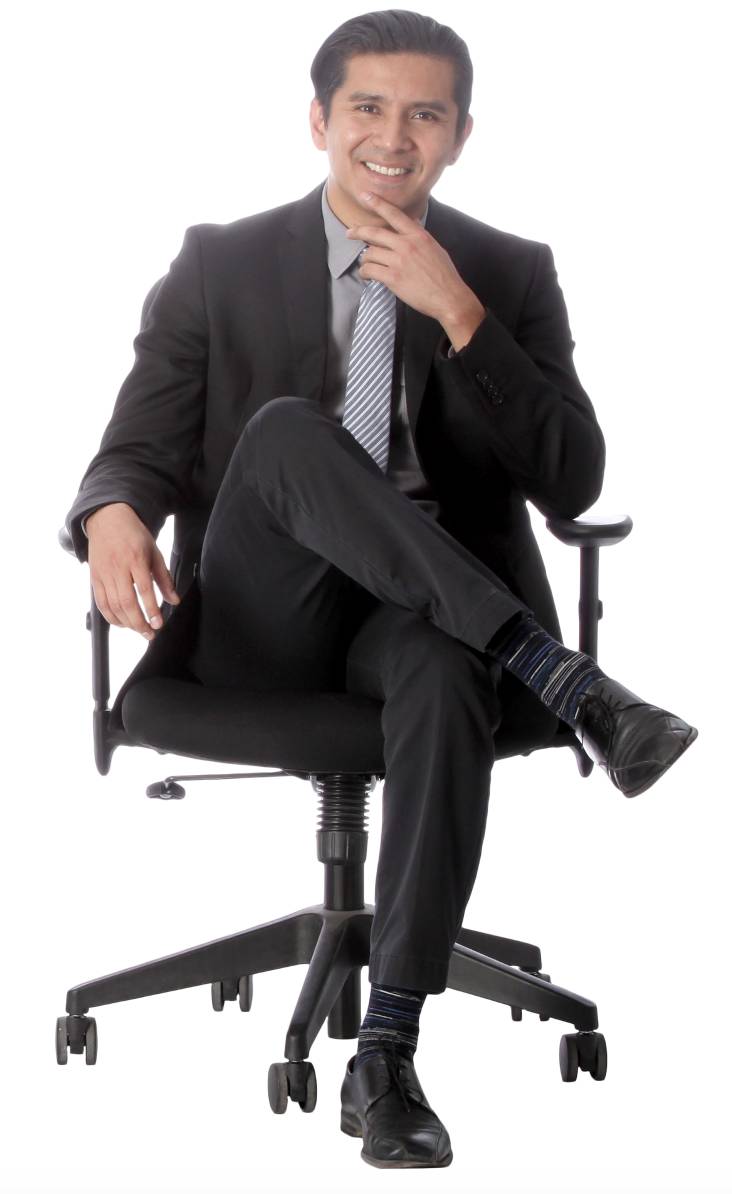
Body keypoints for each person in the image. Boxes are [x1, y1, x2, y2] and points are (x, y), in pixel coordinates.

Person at [63, 8, 697, 1170]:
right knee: (289, 431)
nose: (394, 138)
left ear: (461, 135)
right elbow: (136, 446)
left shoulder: (506, 273)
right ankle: (565, 680)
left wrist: (461, 314)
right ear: (319, 120)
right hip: (265, 618)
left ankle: (389, 1052)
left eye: (425, 114)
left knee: (446, 667)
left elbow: (574, 479)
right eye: (367, 108)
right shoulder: (220, 262)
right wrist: (110, 513)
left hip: (429, 621)